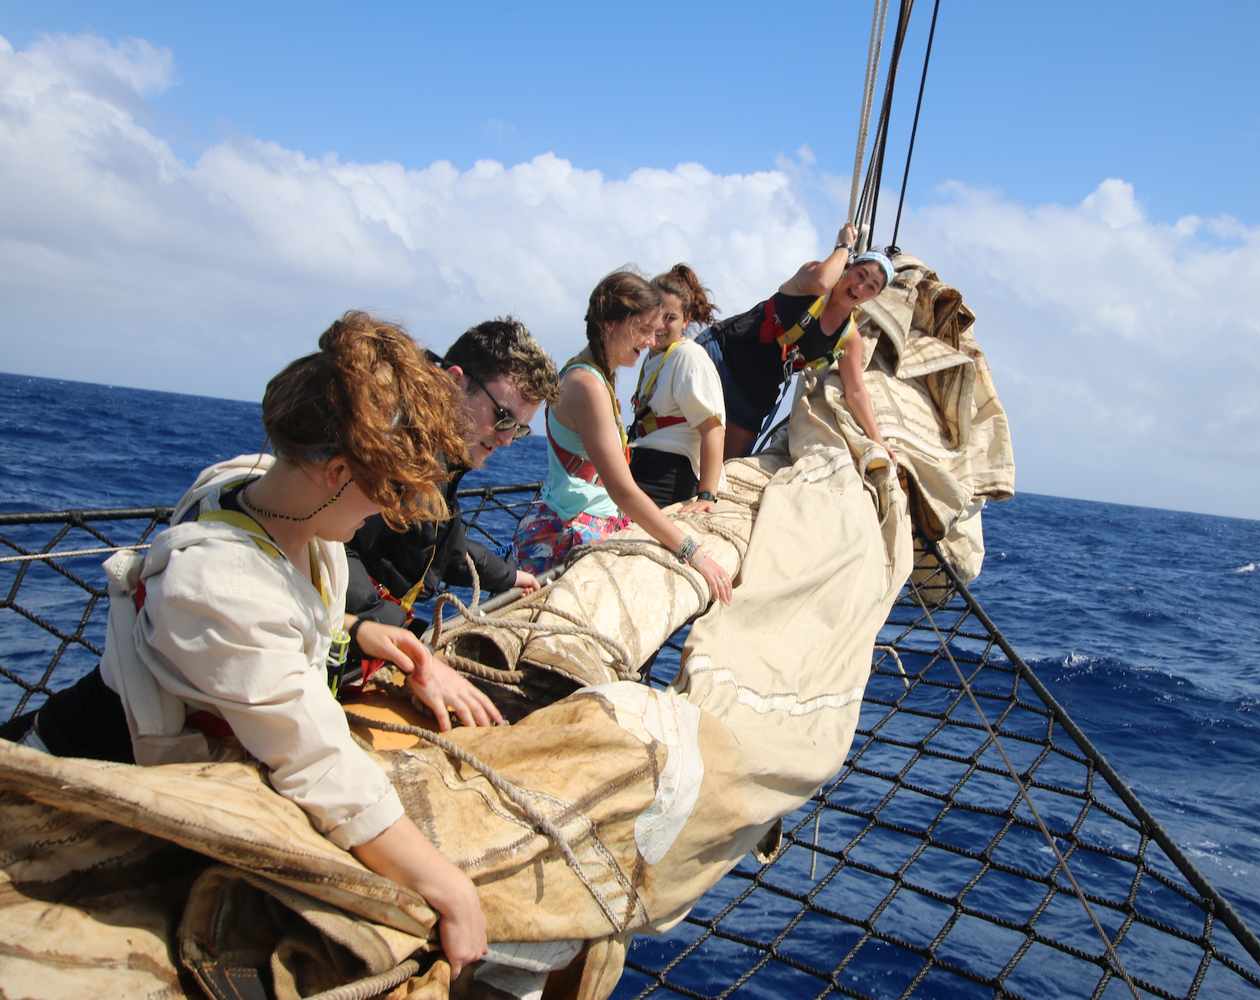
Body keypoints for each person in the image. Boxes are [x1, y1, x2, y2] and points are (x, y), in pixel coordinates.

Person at [0, 313, 498, 978]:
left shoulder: (250, 488)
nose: (390, 509)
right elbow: (316, 766)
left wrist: (352, 631)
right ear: (339, 472)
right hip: (66, 791)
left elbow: (265, 637)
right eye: (390, 489)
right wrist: (450, 889)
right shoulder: (218, 583)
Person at [512, 270, 734, 604]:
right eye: (643, 329)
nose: (649, 340)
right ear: (611, 324)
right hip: (566, 534)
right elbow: (623, 491)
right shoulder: (588, 385)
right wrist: (693, 552)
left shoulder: (595, 373)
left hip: (569, 517)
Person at [345, 316, 559, 632]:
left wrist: (511, 576)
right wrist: (392, 626)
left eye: (519, 428)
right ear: (455, 382)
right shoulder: (392, 443)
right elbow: (330, 543)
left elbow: (448, 548)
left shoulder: (442, 453)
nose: (507, 438)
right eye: (503, 417)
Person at [696, 222, 897, 460]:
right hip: (721, 358)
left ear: (874, 296)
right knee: (676, 444)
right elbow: (823, 282)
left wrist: (878, 439)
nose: (860, 286)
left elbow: (855, 391)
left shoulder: (850, 338)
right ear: (848, 267)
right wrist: (844, 246)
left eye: (871, 287)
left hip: (753, 396)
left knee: (721, 469)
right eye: (860, 274)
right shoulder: (811, 276)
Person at [627, 265, 726, 510]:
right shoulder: (652, 356)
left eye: (670, 318)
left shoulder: (688, 357)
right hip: (641, 463)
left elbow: (713, 428)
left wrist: (706, 496)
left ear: (686, 320)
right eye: (654, 314)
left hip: (671, 474)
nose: (659, 325)